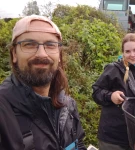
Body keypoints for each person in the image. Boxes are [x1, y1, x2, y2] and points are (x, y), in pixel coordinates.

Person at [0, 15, 87, 150]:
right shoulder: (3, 112)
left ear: (59, 55)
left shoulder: (68, 106)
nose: (41, 54)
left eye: (50, 45)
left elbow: (78, 144)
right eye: (29, 44)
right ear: (14, 54)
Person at [92, 33, 135, 150]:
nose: (132, 55)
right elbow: (96, 92)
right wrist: (111, 96)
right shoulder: (114, 69)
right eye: (127, 51)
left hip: (134, 136)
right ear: (123, 53)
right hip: (113, 138)